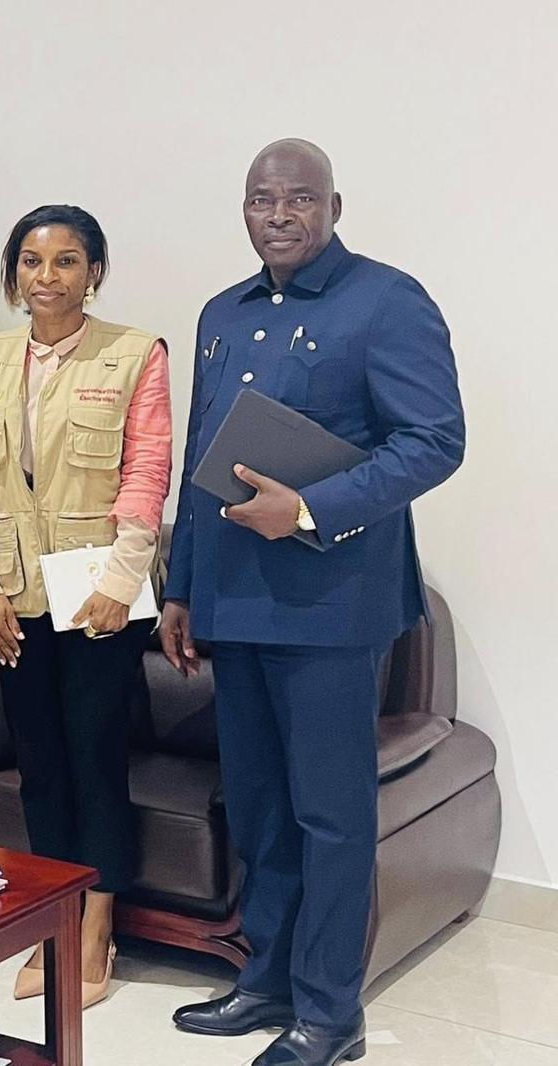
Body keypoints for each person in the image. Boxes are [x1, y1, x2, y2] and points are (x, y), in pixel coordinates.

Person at [165, 140, 464, 1066]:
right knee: (258, 806)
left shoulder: (387, 300)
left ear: (335, 206)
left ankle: (331, 1015)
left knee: (330, 816)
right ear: (244, 210)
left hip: (332, 605)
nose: (280, 215)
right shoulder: (223, 312)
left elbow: (435, 440)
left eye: (300, 198)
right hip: (234, 599)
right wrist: (181, 589)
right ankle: (265, 981)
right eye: (263, 199)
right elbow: (200, 457)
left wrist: (309, 509)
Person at [0, 205, 172, 1010]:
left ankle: (98, 925)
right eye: (32, 262)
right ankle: (55, 915)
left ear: (94, 272)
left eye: (67, 261)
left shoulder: (134, 353)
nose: (48, 277)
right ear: (15, 275)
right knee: (39, 763)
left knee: (94, 756)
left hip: (98, 589)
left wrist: (122, 581)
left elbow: (146, 475)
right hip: (13, 592)